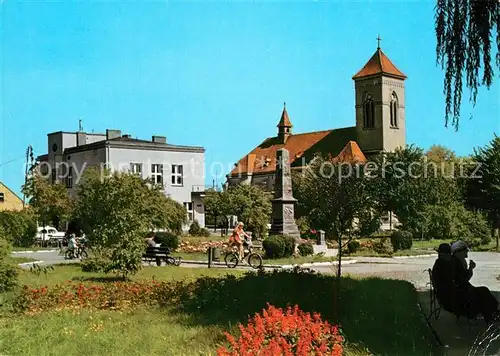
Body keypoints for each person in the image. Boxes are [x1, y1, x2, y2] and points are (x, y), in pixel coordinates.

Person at [450, 240, 499, 325]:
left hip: (461, 291)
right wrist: (471, 269)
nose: (467, 251)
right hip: (462, 293)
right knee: (483, 293)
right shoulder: (456, 262)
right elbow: (464, 280)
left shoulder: (457, 261)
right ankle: (492, 315)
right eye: (465, 250)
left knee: (484, 291)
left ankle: (493, 313)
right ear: (459, 252)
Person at [431, 243, 459, 313]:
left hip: (444, 296)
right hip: (449, 298)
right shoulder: (445, 265)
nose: (439, 255)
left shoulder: (439, 263)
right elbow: (458, 279)